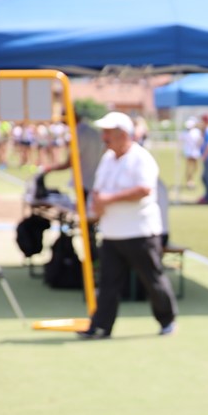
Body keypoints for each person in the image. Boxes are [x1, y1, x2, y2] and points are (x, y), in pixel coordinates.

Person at [78, 112, 177, 340]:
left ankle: (167, 320)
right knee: (108, 283)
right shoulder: (107, 159)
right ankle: (101, 325)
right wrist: (97, 206)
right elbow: (98, 190)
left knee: (152, 279)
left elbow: (143, 190)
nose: (104, 137)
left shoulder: (141, 158)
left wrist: (108, 200)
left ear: (123, 134)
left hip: (139, 232)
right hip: (112, 232)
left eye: (108, 132)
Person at [182, 117, 202, 189]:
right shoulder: (195, 132)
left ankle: (190, 180)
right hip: (190, 152)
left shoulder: (193, 132)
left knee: (194, 168)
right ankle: (189, 181)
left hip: (193, 152)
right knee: (190, 168)